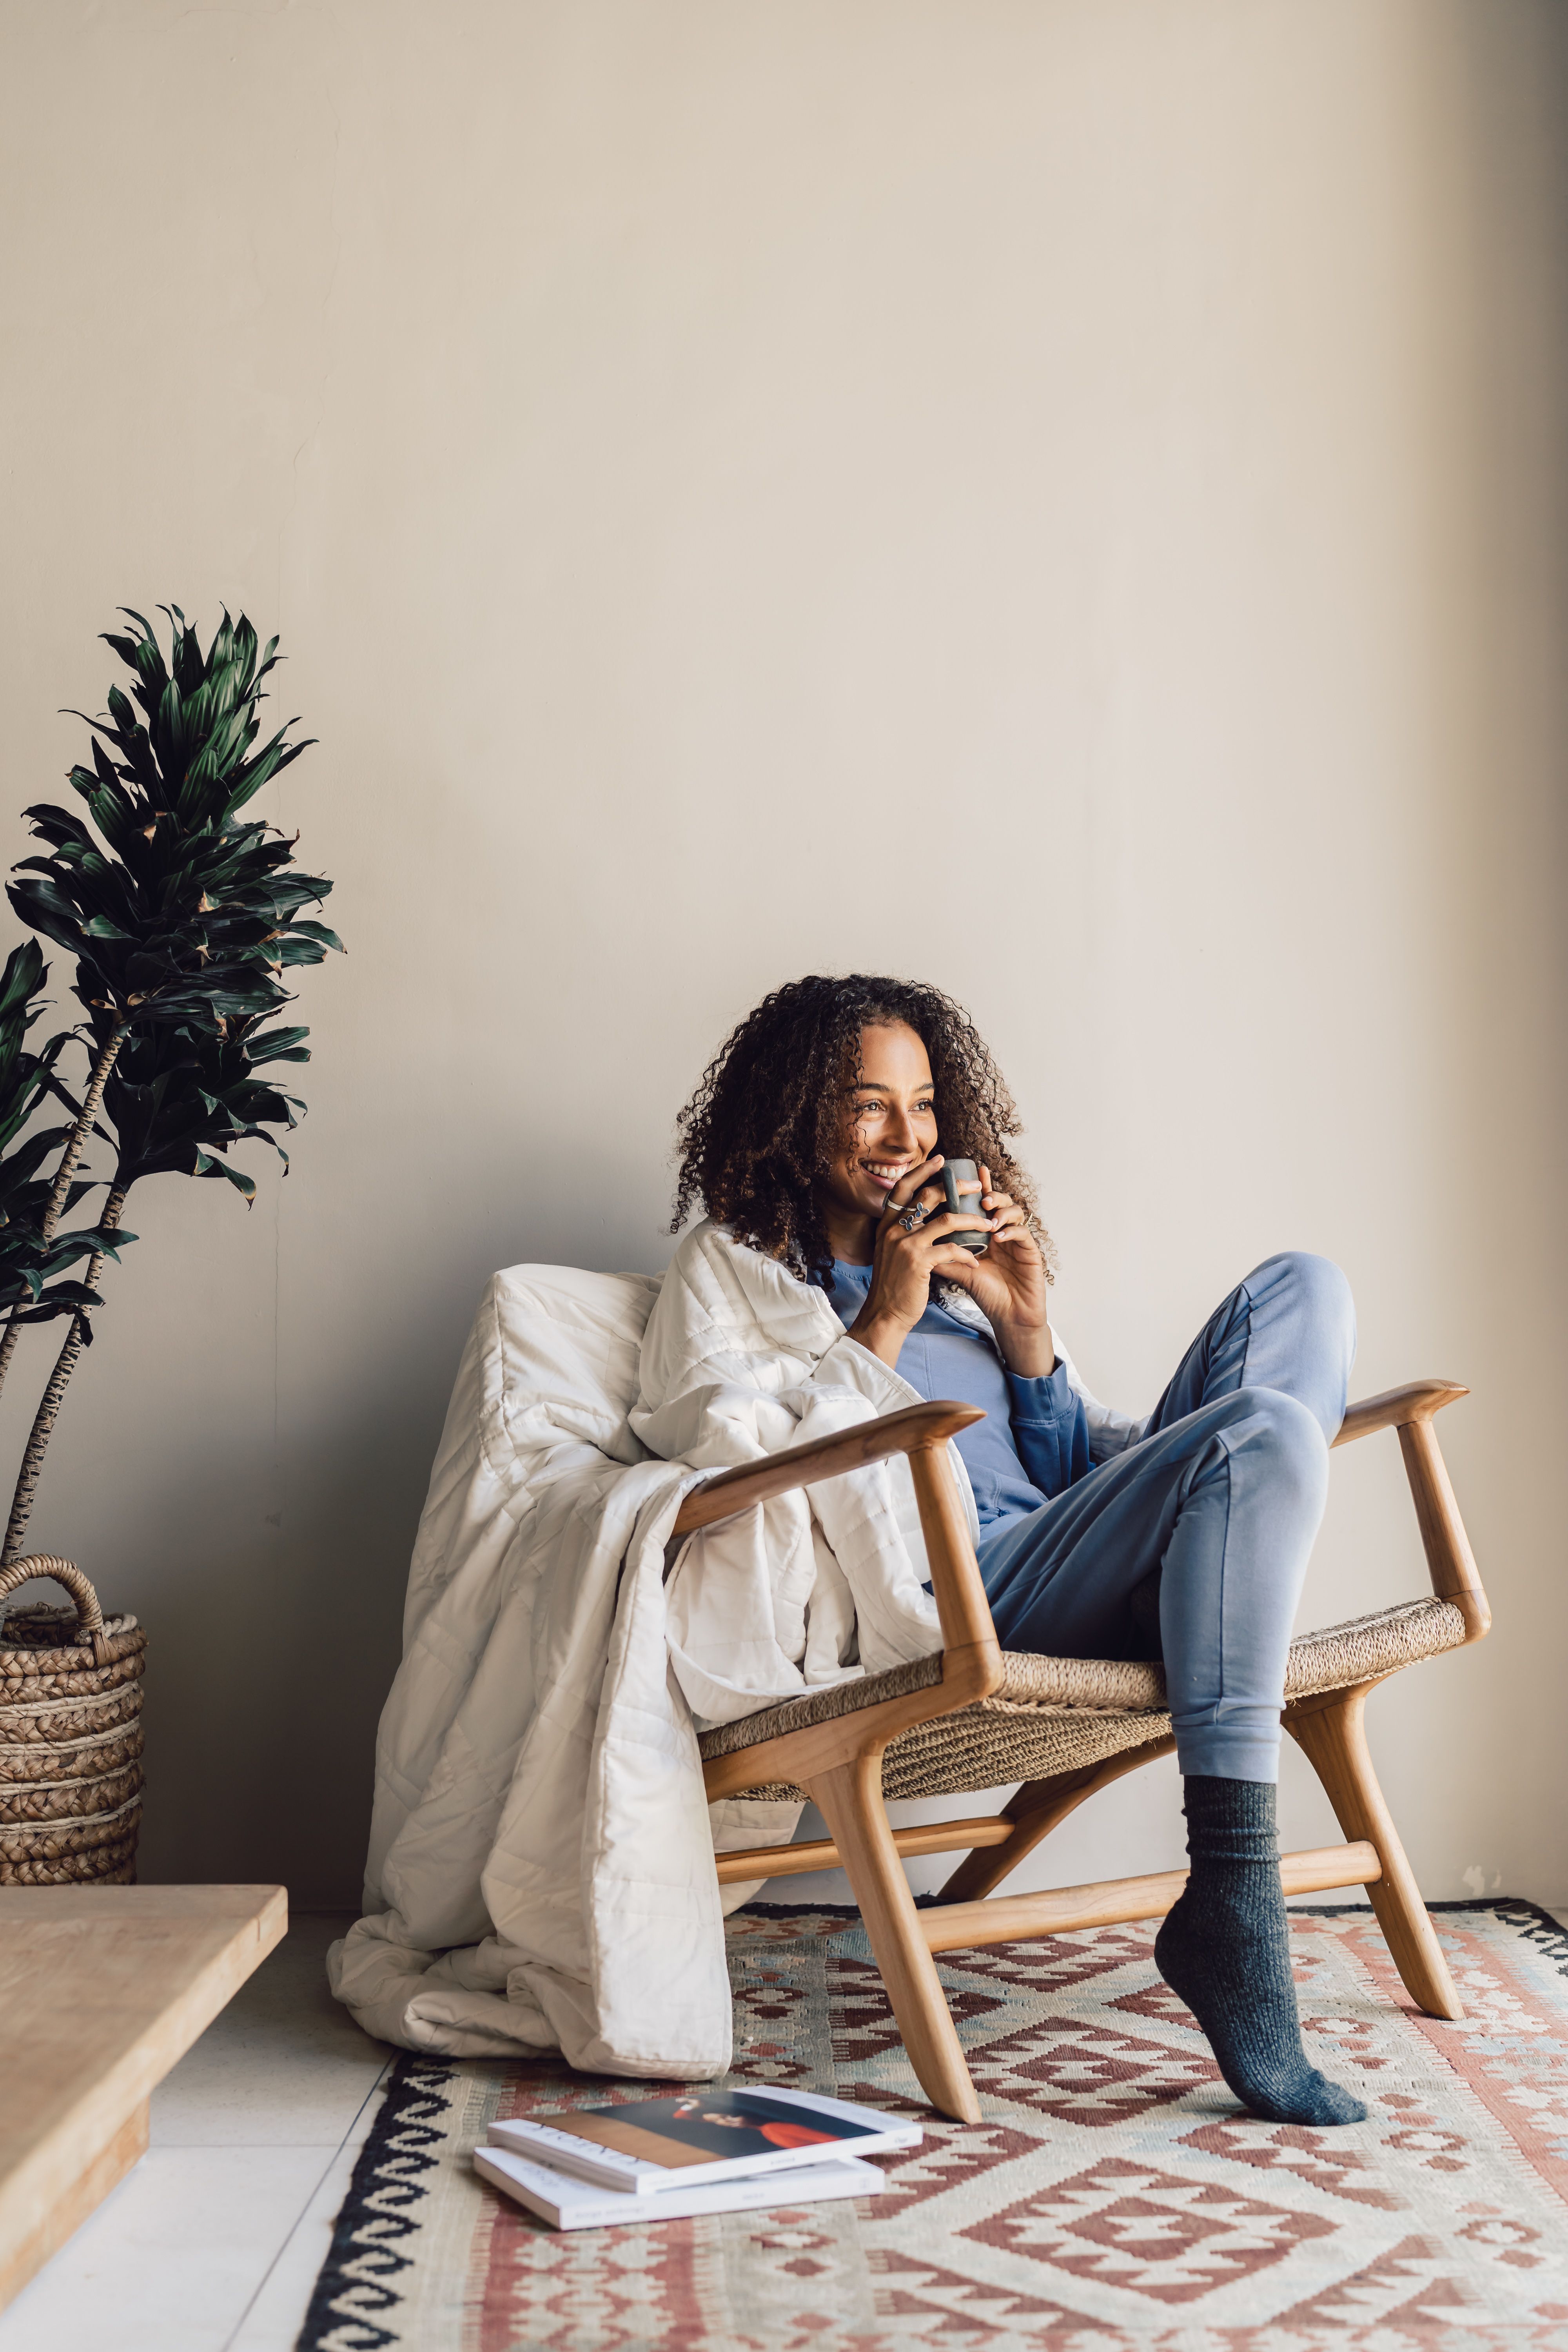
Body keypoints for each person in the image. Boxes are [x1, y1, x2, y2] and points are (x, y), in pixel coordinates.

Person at [663, 971, 1366, 2129]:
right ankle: (1236, 1888)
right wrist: (881, 1320)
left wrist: (1025, 1329)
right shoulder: (733, 1270)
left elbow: (1069, 1479)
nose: (909, 1136)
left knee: (1305, 1289)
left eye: (926, 1104)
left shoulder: (959, 1276)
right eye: (869, 1104)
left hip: (1058, 1551)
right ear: (792, 1112)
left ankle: (1203, 1636)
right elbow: (724, 1467)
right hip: (958, 1593)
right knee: (1268, 1431)